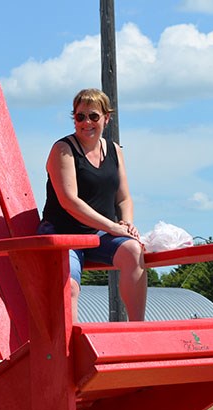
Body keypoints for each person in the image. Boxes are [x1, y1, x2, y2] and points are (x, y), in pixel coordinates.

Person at [39, 88, 147, 321]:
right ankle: (70, 349)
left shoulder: (115, 151)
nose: (86, 122)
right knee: (70, 286)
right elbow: (70, 201)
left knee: (133, 251)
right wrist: (112, 227)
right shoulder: (63, 149)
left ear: (106, 118)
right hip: (63, 232)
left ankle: (138, 328)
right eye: (80, 117)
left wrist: (126, 224)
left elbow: (124, 197)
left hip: (99, 233)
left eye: (94, 116)